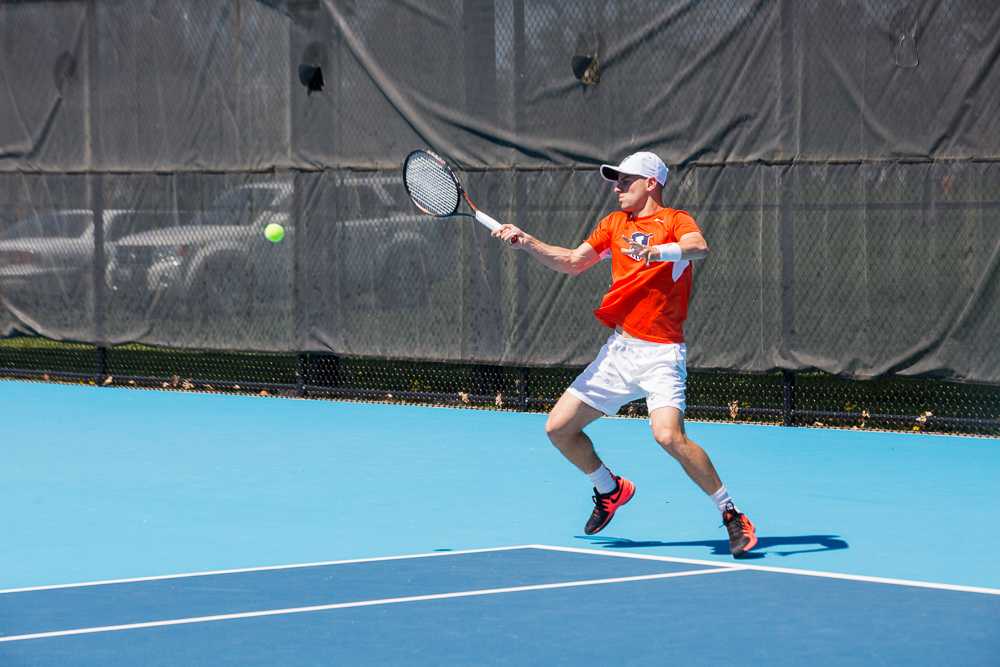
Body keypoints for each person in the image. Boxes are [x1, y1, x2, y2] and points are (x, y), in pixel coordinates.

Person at [492, 151, 758, 557]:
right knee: (558, 429)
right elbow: (572, 261)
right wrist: (527, 242)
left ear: (651, 183)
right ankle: (609, 489)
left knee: (668, 436)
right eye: (615, 181)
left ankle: (731, 514)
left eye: (625, 181)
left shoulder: (674, 221)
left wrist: (663, 253)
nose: (617, 188)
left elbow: (698, 247)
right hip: (619, 352)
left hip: (661, 354)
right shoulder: (613, 225)